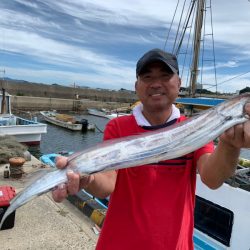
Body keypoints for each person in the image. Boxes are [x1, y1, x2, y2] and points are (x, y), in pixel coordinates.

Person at [52, 48, 250, 250]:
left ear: (179, 83)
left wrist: (229, 144)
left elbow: (212, 178)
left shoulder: (194, 129)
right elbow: (107, 184)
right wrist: (89, 178)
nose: (156, 83)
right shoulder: (118, 127)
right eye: (147, 77)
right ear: (137, 86)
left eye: (165, 76)